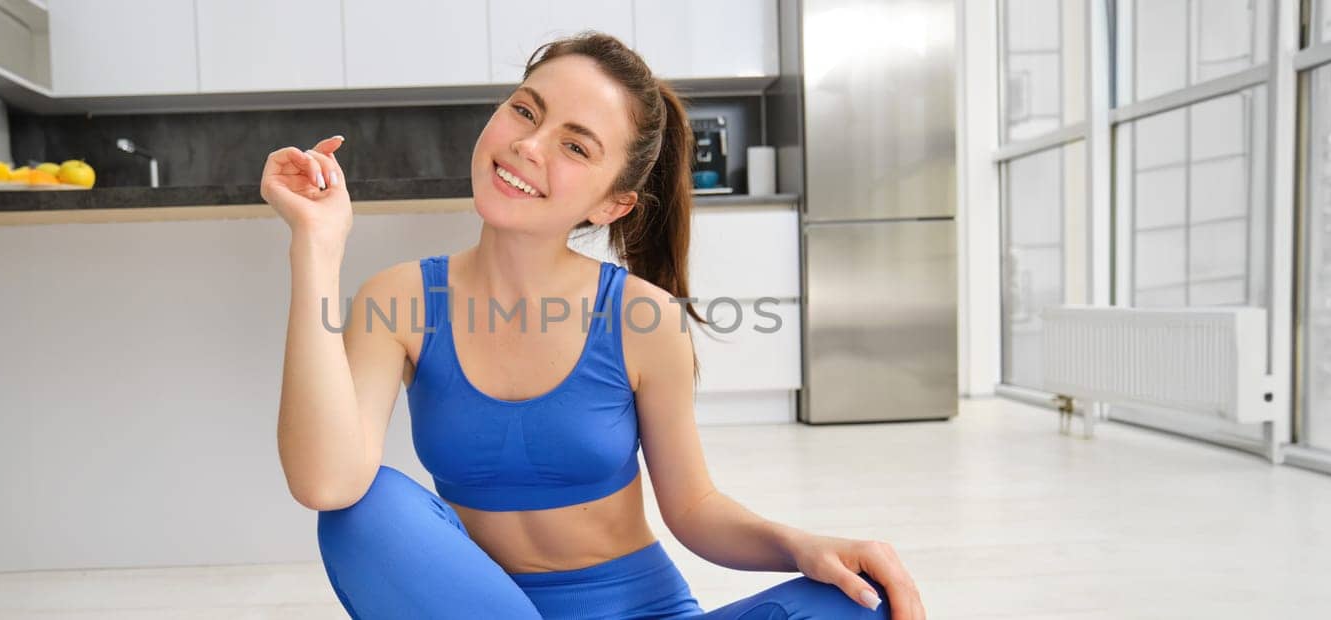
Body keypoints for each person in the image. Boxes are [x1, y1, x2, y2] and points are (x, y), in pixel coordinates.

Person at [263, 31, 925, 620]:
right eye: (525, 110)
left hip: (642, 607)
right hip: (477, 605)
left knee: (860, 601)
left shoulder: (643, 318)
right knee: (360, 512)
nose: (526, 144)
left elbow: (693, 509)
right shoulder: (401, 300)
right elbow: (326, 481)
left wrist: (800, 546)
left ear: (613, 202)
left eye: (574, 146)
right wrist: (317, 247)